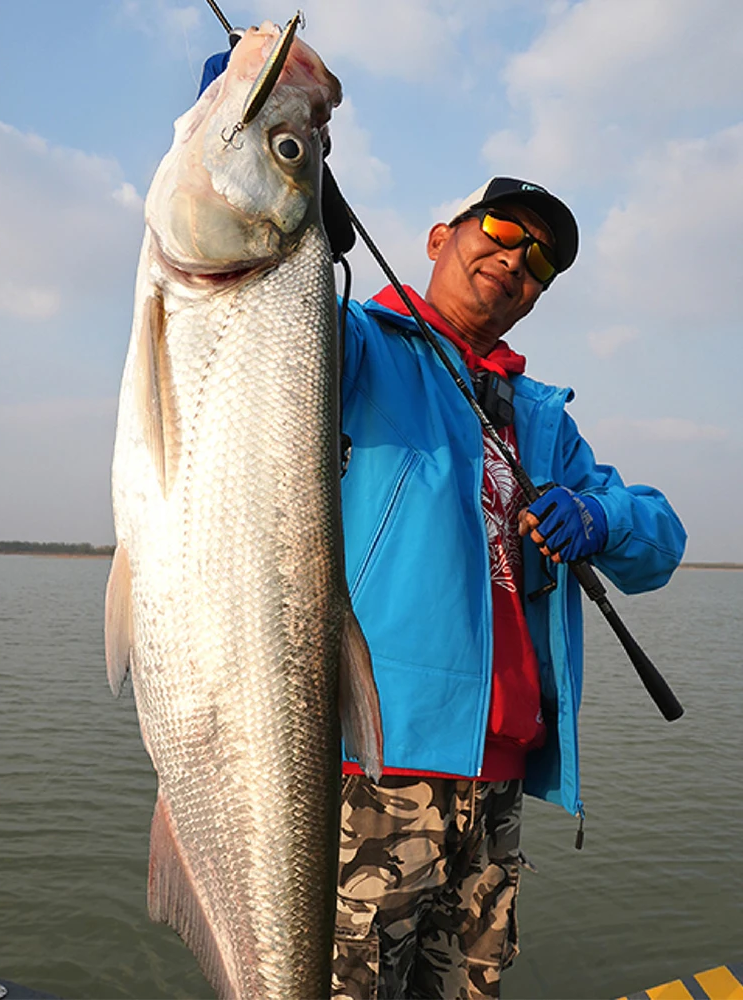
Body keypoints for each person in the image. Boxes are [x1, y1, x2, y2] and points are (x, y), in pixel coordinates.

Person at [198, 56, 687, 1000]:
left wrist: (598, 517)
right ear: (438, 236)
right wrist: (247, 123)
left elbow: (661, 538)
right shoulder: (352, 345)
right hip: (365, 768)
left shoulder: (539, 414)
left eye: (540, 261)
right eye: (502, 232)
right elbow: (242, 298)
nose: (516, 262)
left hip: (498, 785)